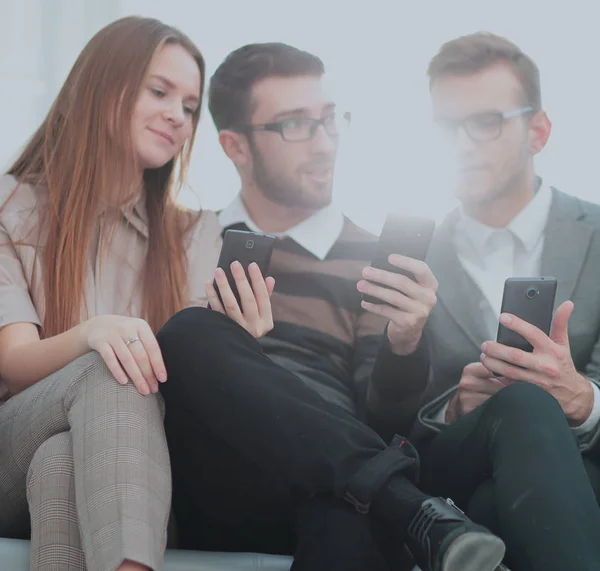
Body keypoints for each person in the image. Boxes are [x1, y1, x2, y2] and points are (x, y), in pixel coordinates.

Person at [158, 42, 507, 571]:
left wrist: (404, 342)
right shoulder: (183, 241)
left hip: (334, 484)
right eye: (296, 126)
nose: (324, 144)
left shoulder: (372, 257)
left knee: (348, 514)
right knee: (188, 332)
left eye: (329, 120)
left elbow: (385, 419)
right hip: (222, 471)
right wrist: (231, 345)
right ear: (235, 146)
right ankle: (410, 506)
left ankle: (389, 499)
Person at [0, 16, 272, 571]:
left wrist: (234, 348)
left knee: (61, 464)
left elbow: (193, 400)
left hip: (139, 466)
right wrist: (96, 333)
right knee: (112, 366)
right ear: (102, 87)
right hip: (11, 445)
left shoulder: (197, 235)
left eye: (190, 106)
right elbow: (12, 366)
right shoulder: (10, 205)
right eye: (159, 91)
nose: (178, 116)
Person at [369, 32, 600, 571]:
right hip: (456, 463)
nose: (463, 144)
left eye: (486, 122)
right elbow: (377, 425)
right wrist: (452, 410)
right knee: (517, 406)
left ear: (538, 132)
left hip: (558, 477)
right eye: (445, 127)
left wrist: (582, 400)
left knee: (494, 506)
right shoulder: (406, 258)